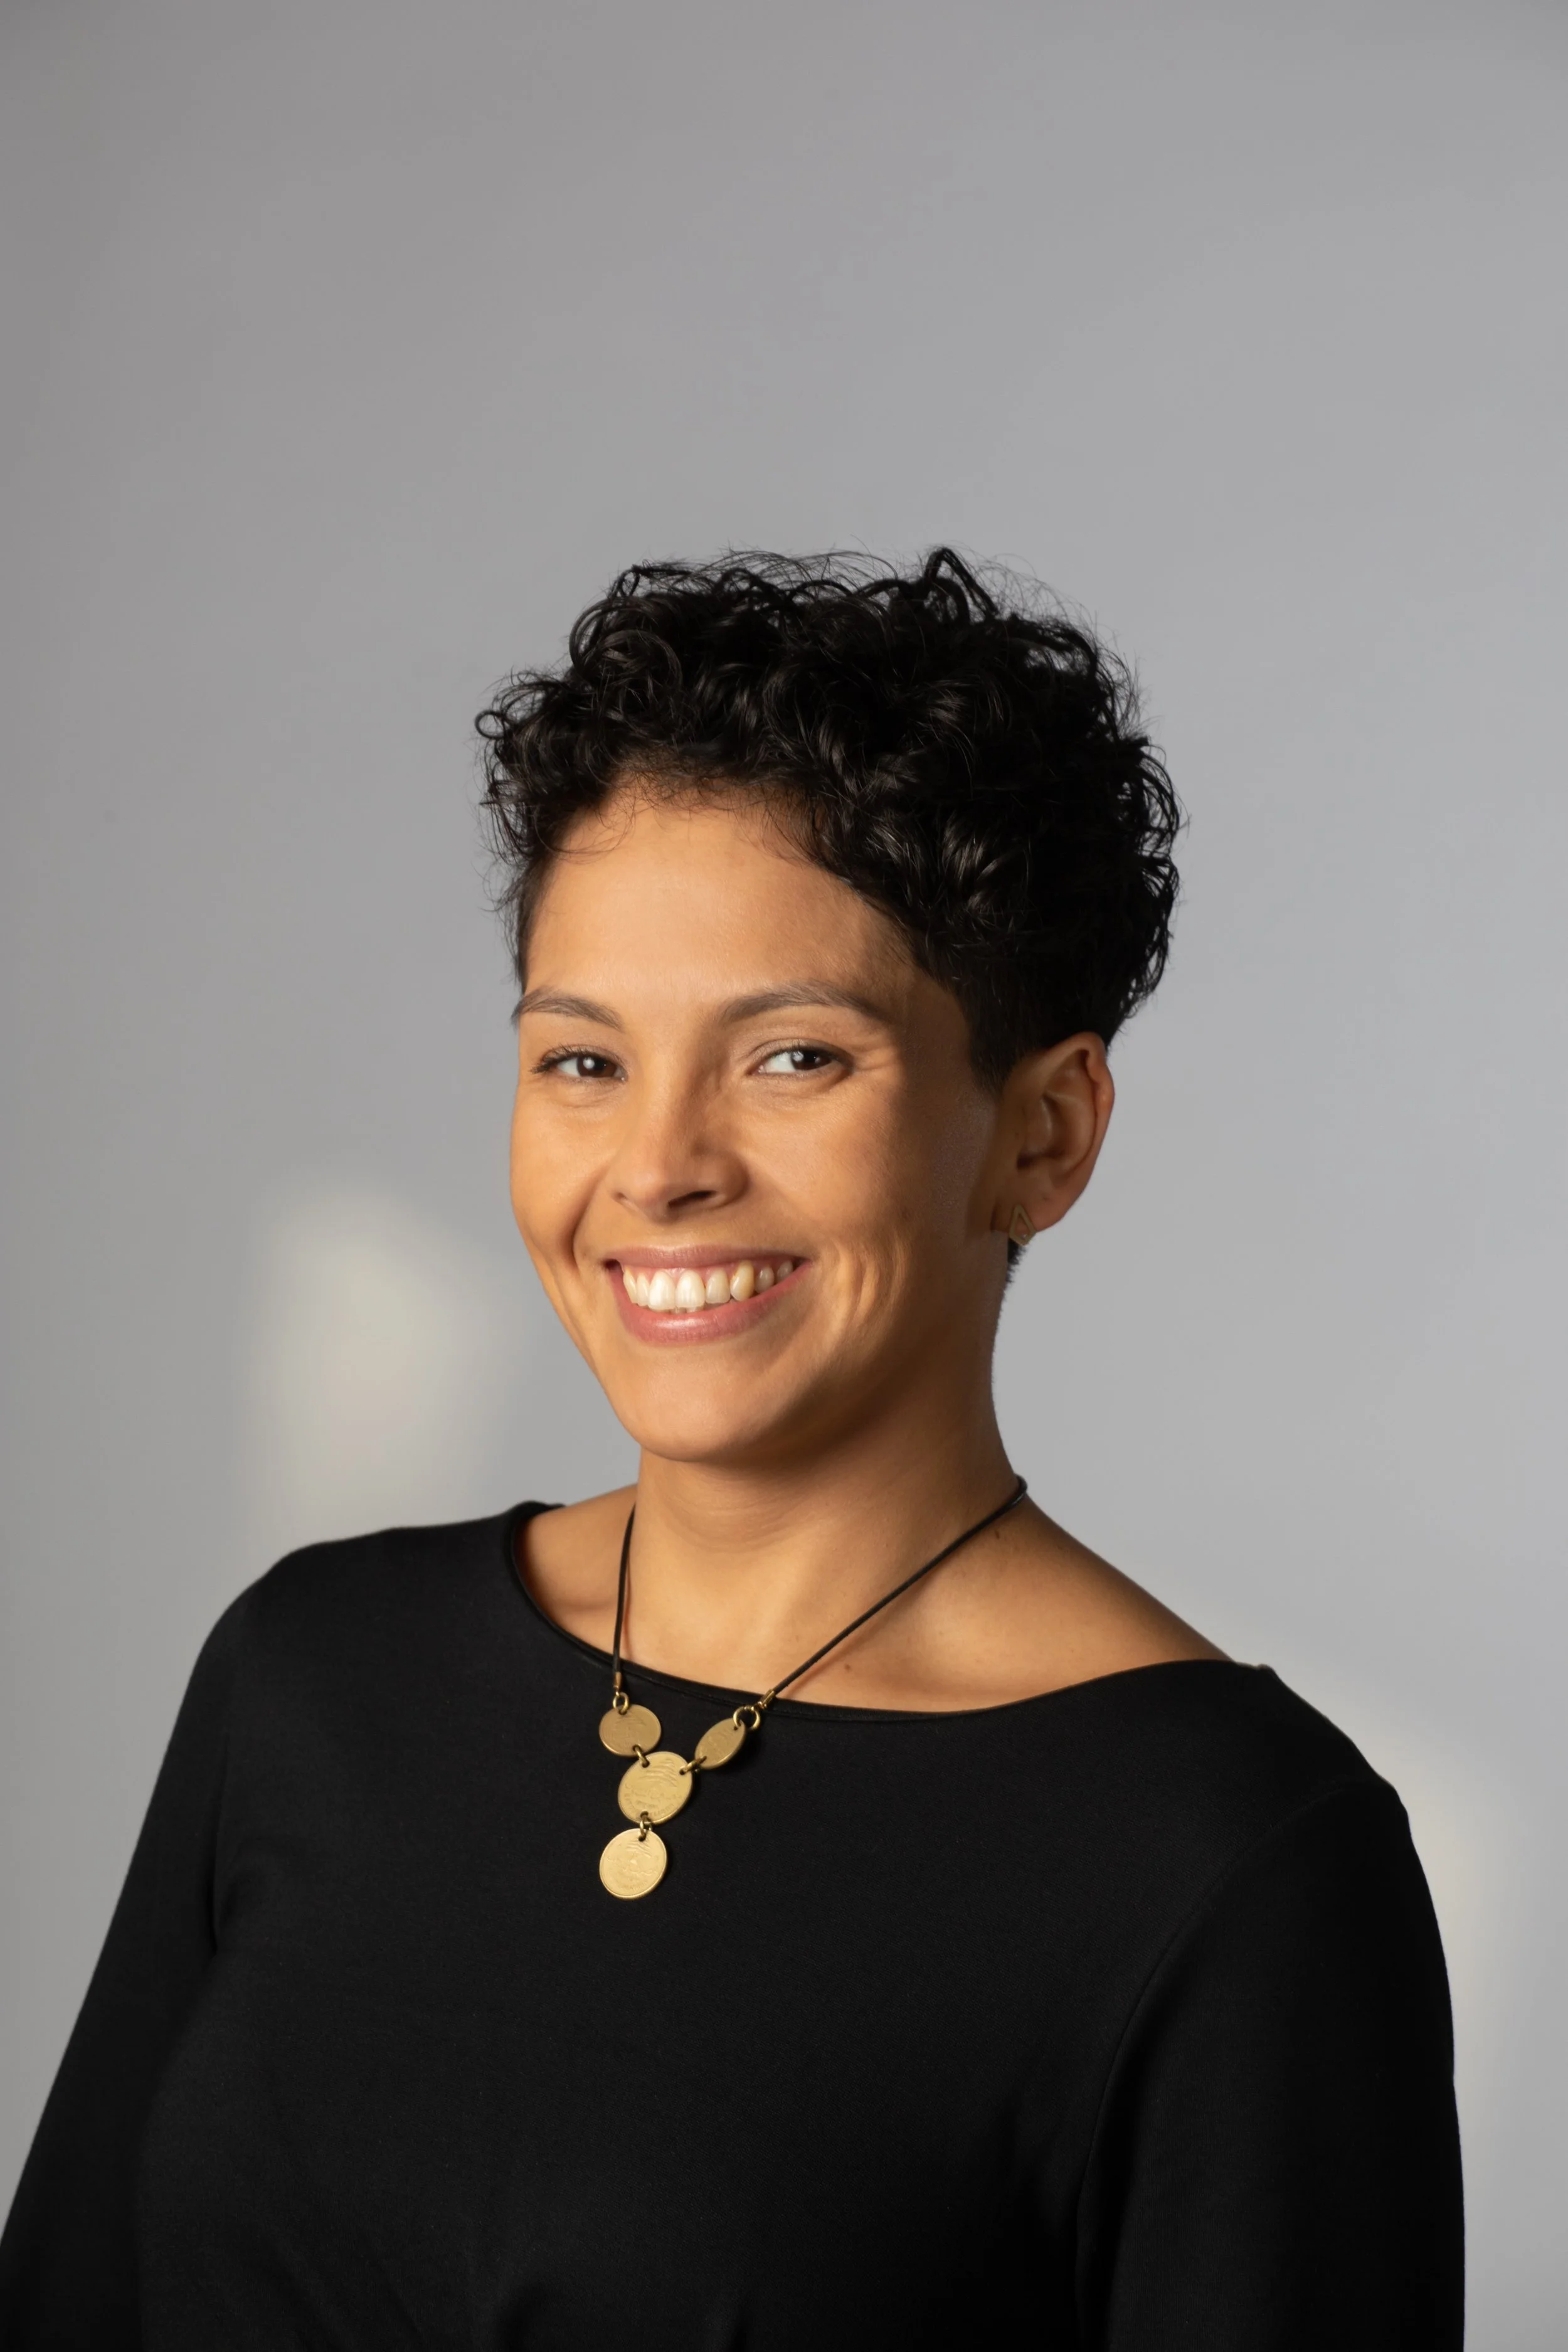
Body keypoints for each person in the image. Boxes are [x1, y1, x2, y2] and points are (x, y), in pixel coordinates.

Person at [0, 549, 1463, 2347]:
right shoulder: (309, 1673)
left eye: (790, 1058)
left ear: (1045, 1133)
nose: (662, 1164)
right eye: (582, 1061)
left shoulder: (1232, 1862)